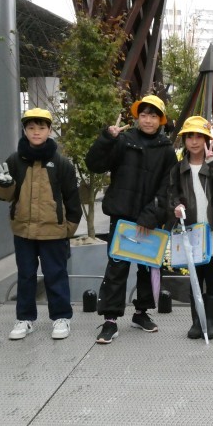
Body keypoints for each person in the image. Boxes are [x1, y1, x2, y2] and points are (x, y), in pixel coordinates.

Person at [85, 95, 177, 344]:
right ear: (137, 117)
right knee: (117, 268)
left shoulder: (167, 149)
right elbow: (94, 164)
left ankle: (141, 313)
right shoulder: (123, 141)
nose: (148, 120)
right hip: (122, 217)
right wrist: (107, 138)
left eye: (154, 116)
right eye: (144, 115)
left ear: (161, 120)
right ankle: (110, 319)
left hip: (149, 219)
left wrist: (151, 214)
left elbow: (168, 188)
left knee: (146, 268)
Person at [0, 108, 82, 340]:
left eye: (41, 128)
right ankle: (25, 319)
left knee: (56, 275)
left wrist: (68, 228)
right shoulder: (15, 160)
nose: (36, 132)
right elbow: (5, 196)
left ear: (49, 130)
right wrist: (4, 185)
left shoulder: (61, 163)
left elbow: (73, 199)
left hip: (54, 232)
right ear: (24, 130)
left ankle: (61, 318)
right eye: (31, 128)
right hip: (23, 231)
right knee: (26, 275)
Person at [168, 116, 213, 340]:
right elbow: (172, 194)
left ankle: (211, 321)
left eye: (200, 136)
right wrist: (176, 206)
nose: (195, 141)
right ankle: (197, 321)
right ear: (184, 140)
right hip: (191, 230)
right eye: (190, 137)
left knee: (212, 274)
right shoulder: (178, 168)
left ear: (207, 140)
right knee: (195, 276)